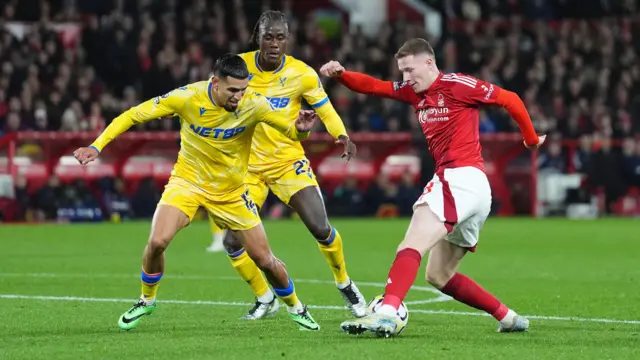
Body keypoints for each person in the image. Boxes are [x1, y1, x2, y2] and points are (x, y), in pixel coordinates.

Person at [73, 54, 321, 331]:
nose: (239, 97)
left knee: (265, 259)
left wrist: (301, 131)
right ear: (214, 83)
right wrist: (96, 146)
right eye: (233, 90)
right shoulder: (187, 97)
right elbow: (132, 115)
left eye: (243, 89)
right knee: (157, 242)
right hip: (187, 183)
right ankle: (146, 300)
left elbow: (290, 130)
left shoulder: (254, 104)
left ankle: (297, 308)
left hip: (231, 191)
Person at [320, 38, 546, 337]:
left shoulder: (457, 85)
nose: (405, 78)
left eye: (410, 70)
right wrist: (342, 75)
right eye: (401, 71)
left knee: (410, 244)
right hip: (472, 189)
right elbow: (374, 86)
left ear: (430, 63)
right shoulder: (415, 94)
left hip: (459, 179)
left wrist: (529, 139)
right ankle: (507, 317)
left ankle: (387, 312)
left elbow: (510, 98)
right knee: (438, 275)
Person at [205, 10, 367, 320]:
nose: (275, 43)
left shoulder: (302, 74)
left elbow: (326, 109)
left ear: (288, 39)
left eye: (280, 37)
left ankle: (345, 283)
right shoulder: (239, 68)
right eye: (268, 36)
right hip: (248, 168)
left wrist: (342, 135)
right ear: (258, 37)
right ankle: (265, 297)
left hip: (287, 163)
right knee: (230, 241)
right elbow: (214, 97)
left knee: (321, 227)